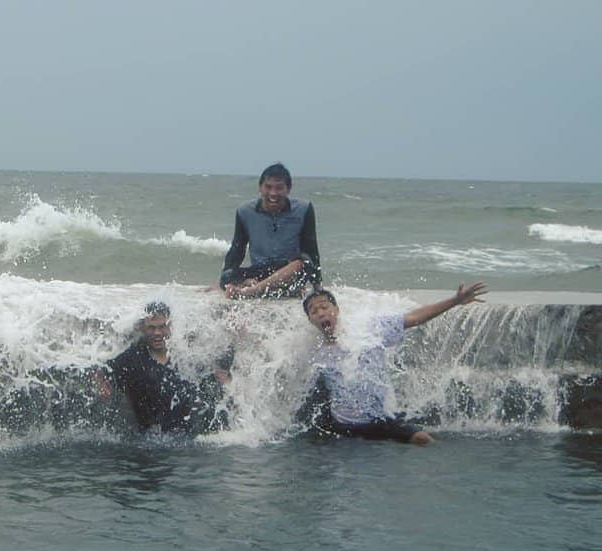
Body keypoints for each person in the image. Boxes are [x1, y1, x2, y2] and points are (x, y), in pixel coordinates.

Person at [300, 282, 489, 445]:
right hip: (342, 426)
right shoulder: (316, 354)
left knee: (422, 439)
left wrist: (455, 300)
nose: (320, 313)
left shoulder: (368, 330)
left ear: (336, 310)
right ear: (310, 320)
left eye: (324, 307)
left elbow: (413, 318)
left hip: (378, 420)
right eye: (314, 311)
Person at [95, 302, 231, 435]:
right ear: (143, 328)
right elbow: (102, 369)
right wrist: (102, 383)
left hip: (185, 437)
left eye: (162, 327)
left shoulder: (183, 357)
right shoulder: (133, 358)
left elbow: (210, 374)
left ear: (170, 326)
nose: (157, 333)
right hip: (147, 438)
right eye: (151, 328)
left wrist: (222, 378)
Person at [219, 162, 321, 298]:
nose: (273, 193)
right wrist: (226, 278)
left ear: (288, 189)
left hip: (289, 269)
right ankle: (253, 285)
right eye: (268, 187)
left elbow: (311, 249)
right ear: (260, 188)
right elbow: (237, 249)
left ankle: (251, 291)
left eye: (279, 188)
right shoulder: (245, 211)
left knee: (305, 262)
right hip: (261, 270)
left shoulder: (303, 209)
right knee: (227, 275)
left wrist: (317, 287)